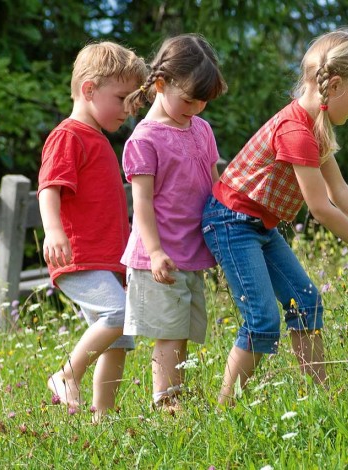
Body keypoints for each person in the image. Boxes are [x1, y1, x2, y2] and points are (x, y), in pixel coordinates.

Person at [201, 28, 348, 406]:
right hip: (231, 222)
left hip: (258, 224)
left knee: (307, 302)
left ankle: (322, 398)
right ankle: (225, 410)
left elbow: (342, 193)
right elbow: (320, 208)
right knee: (262, 321)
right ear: (334, 86)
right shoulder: (296, 130)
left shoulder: (313, 126)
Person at [38, 41, 147, 417]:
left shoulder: (97, 139)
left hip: (107, 260)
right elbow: (49, 188)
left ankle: (103, 418)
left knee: (121, 338)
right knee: (117, 317)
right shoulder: (68, 135)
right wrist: (53, 232)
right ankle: (67, 375)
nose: (128, 110)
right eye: (121, 98)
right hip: (80, 255)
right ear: (88, 89)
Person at [121, 34, 227, 411]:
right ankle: (166, 403)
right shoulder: (144, 139)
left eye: (203, 101)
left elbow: (214, 187)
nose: (197, 108)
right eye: (189, 99)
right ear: (161, 84)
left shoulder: (201, 128)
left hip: (191, 250)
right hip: (159, 255)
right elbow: (143, 205)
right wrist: (154, 251)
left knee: (181, 329)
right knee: (167, 333)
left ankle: (175, 395)